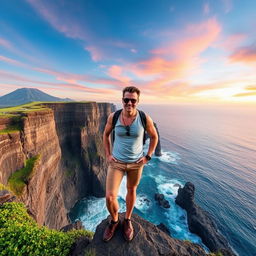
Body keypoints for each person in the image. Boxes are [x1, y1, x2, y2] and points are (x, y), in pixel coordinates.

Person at [102, 86, 158, 242]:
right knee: (110, 196)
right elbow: (105, 135)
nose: (129, 103)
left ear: (137, 101)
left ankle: (127, 220)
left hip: (135, 163)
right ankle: (114, 221)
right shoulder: (114, 117)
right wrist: (108, 154)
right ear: (122, 100)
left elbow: (154, 137)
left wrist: (148, 156)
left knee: (131, 189)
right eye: (126, 99)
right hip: (117, 163)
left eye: (133, 100)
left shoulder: (144, 118)